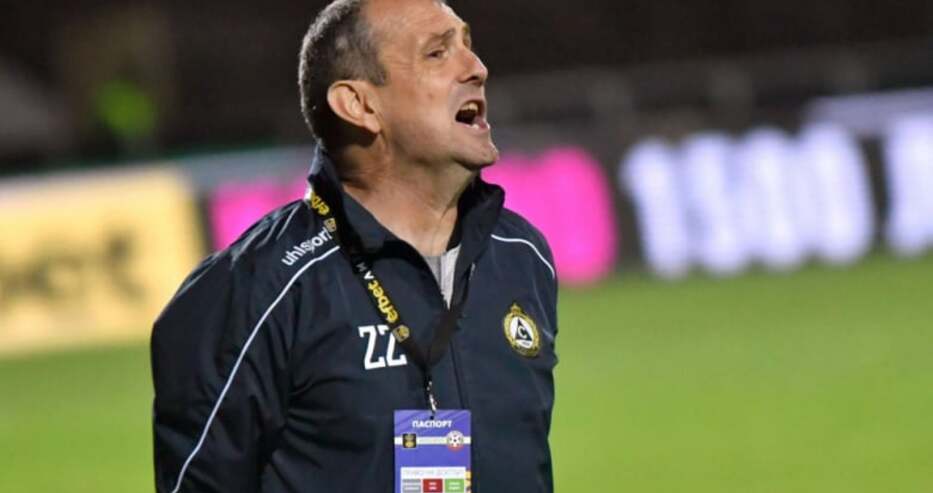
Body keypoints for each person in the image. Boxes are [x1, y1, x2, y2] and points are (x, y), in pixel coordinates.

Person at [151, 0, 558, 491]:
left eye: (467, 46)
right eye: (437, 53)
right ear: (360, 105)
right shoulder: (257, 291)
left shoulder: (520, 254)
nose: (477, 68)